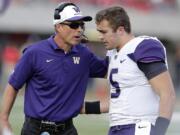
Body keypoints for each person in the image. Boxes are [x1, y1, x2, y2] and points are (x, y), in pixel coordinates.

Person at [0, 2, 108, 135]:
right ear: (58, 27)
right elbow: (13, 85)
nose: (79, 29)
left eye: (82, 25)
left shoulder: (84, 54)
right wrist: (3, 119)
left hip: (67, 129)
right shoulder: (34, 52)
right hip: (35, 129)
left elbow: (109, 70)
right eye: (74, 25)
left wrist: (113, 44)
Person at [82, 6, 176, 135]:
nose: (100, 37)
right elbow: (119, 102)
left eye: (104, 32)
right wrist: (82, 108)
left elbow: (168, 93)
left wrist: (160, 130)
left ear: (120, 30)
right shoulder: (113, 54)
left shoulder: (142, 47)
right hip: (117, 127)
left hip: (139, 126)